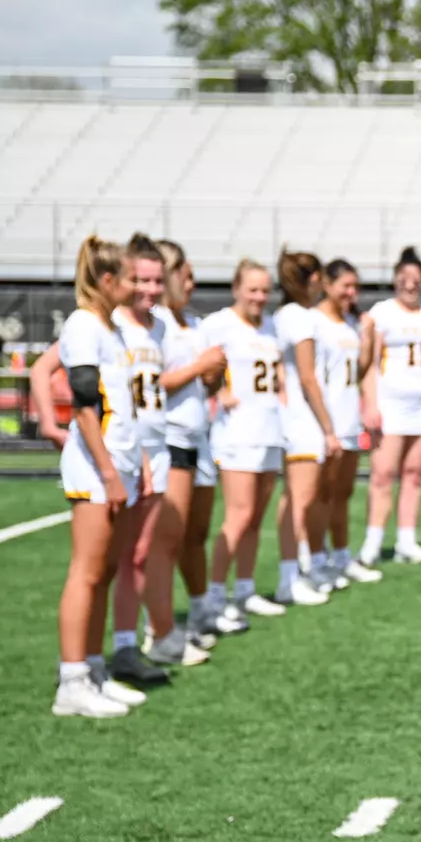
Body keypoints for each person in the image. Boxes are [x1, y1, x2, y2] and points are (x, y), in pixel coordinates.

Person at [43, 237, 148, 717]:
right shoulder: (83, 325)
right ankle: (72, 681)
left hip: (120, 462)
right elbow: (85, 406)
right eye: (130, 277)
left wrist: (137, 461)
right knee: (86, 573)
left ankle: (94, 667)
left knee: (106, 571)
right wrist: (109, 473)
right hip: (95, 466)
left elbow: (123, 406)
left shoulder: (113, 327)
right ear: (107, 282)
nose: (137, 285)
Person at [112, 234, 207, 670]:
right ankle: (144, 638)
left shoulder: (162, 325)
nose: (152, 289)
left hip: (169, 443)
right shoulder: (118, 323)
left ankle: (151, 634)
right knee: (130, 555)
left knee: (155, 547)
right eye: (142, 280)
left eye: (157, 280)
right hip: (140, 445)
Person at [149, 240, 231, 642]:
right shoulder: (155, 323)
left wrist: (213, 376)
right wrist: (201, 367)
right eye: (187, 274)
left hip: (200, 437)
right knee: (168, 537)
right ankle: (159, 627)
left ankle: (199, 609)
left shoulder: (195, 325)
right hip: (171, 438)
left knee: (196, 532)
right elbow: (151, 384)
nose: (192, 284)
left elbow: (205, 388)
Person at [203, 260, 287, 633]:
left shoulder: (271, 326)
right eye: (252, 289)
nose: (259, 297)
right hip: (237, 433)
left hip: (269, 429)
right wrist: (220, 391)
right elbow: (201, 366)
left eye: (264, 290)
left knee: (255, 518)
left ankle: (246, 589)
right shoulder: (219, 323)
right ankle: (215, 596)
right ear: (237, 288)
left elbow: (278, 373)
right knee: (237, 516)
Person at [361, 246, 421, 567]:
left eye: (415, 279)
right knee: (383, 475)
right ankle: (372, 543)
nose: (410, 285)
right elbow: (368, 364)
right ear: (395, 280)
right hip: (391, 406)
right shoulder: (381, 313)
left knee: (414, 474)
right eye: (404, 278)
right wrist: (370, 404)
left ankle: (406, 541)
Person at [273, 248, 341, 606]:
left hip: (300, 417)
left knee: (300, 500)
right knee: (299, 501)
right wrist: (329, 428)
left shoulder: (292, 315)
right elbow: (308, 378)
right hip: (301, 420)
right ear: (312, 278)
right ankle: (290, 576)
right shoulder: (299, 317)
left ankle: (298, 570)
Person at [314, 258, 382, 585]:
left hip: (349, 418)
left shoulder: (349, 323)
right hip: (326, 422)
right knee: (320, 495)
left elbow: (357, 371)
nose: (352, 293)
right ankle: (314, 557)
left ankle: (341, 556)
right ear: (327, 284)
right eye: (346, 286)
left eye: (356, 287)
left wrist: (367, 338)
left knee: (341, 495)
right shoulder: (315, 322)